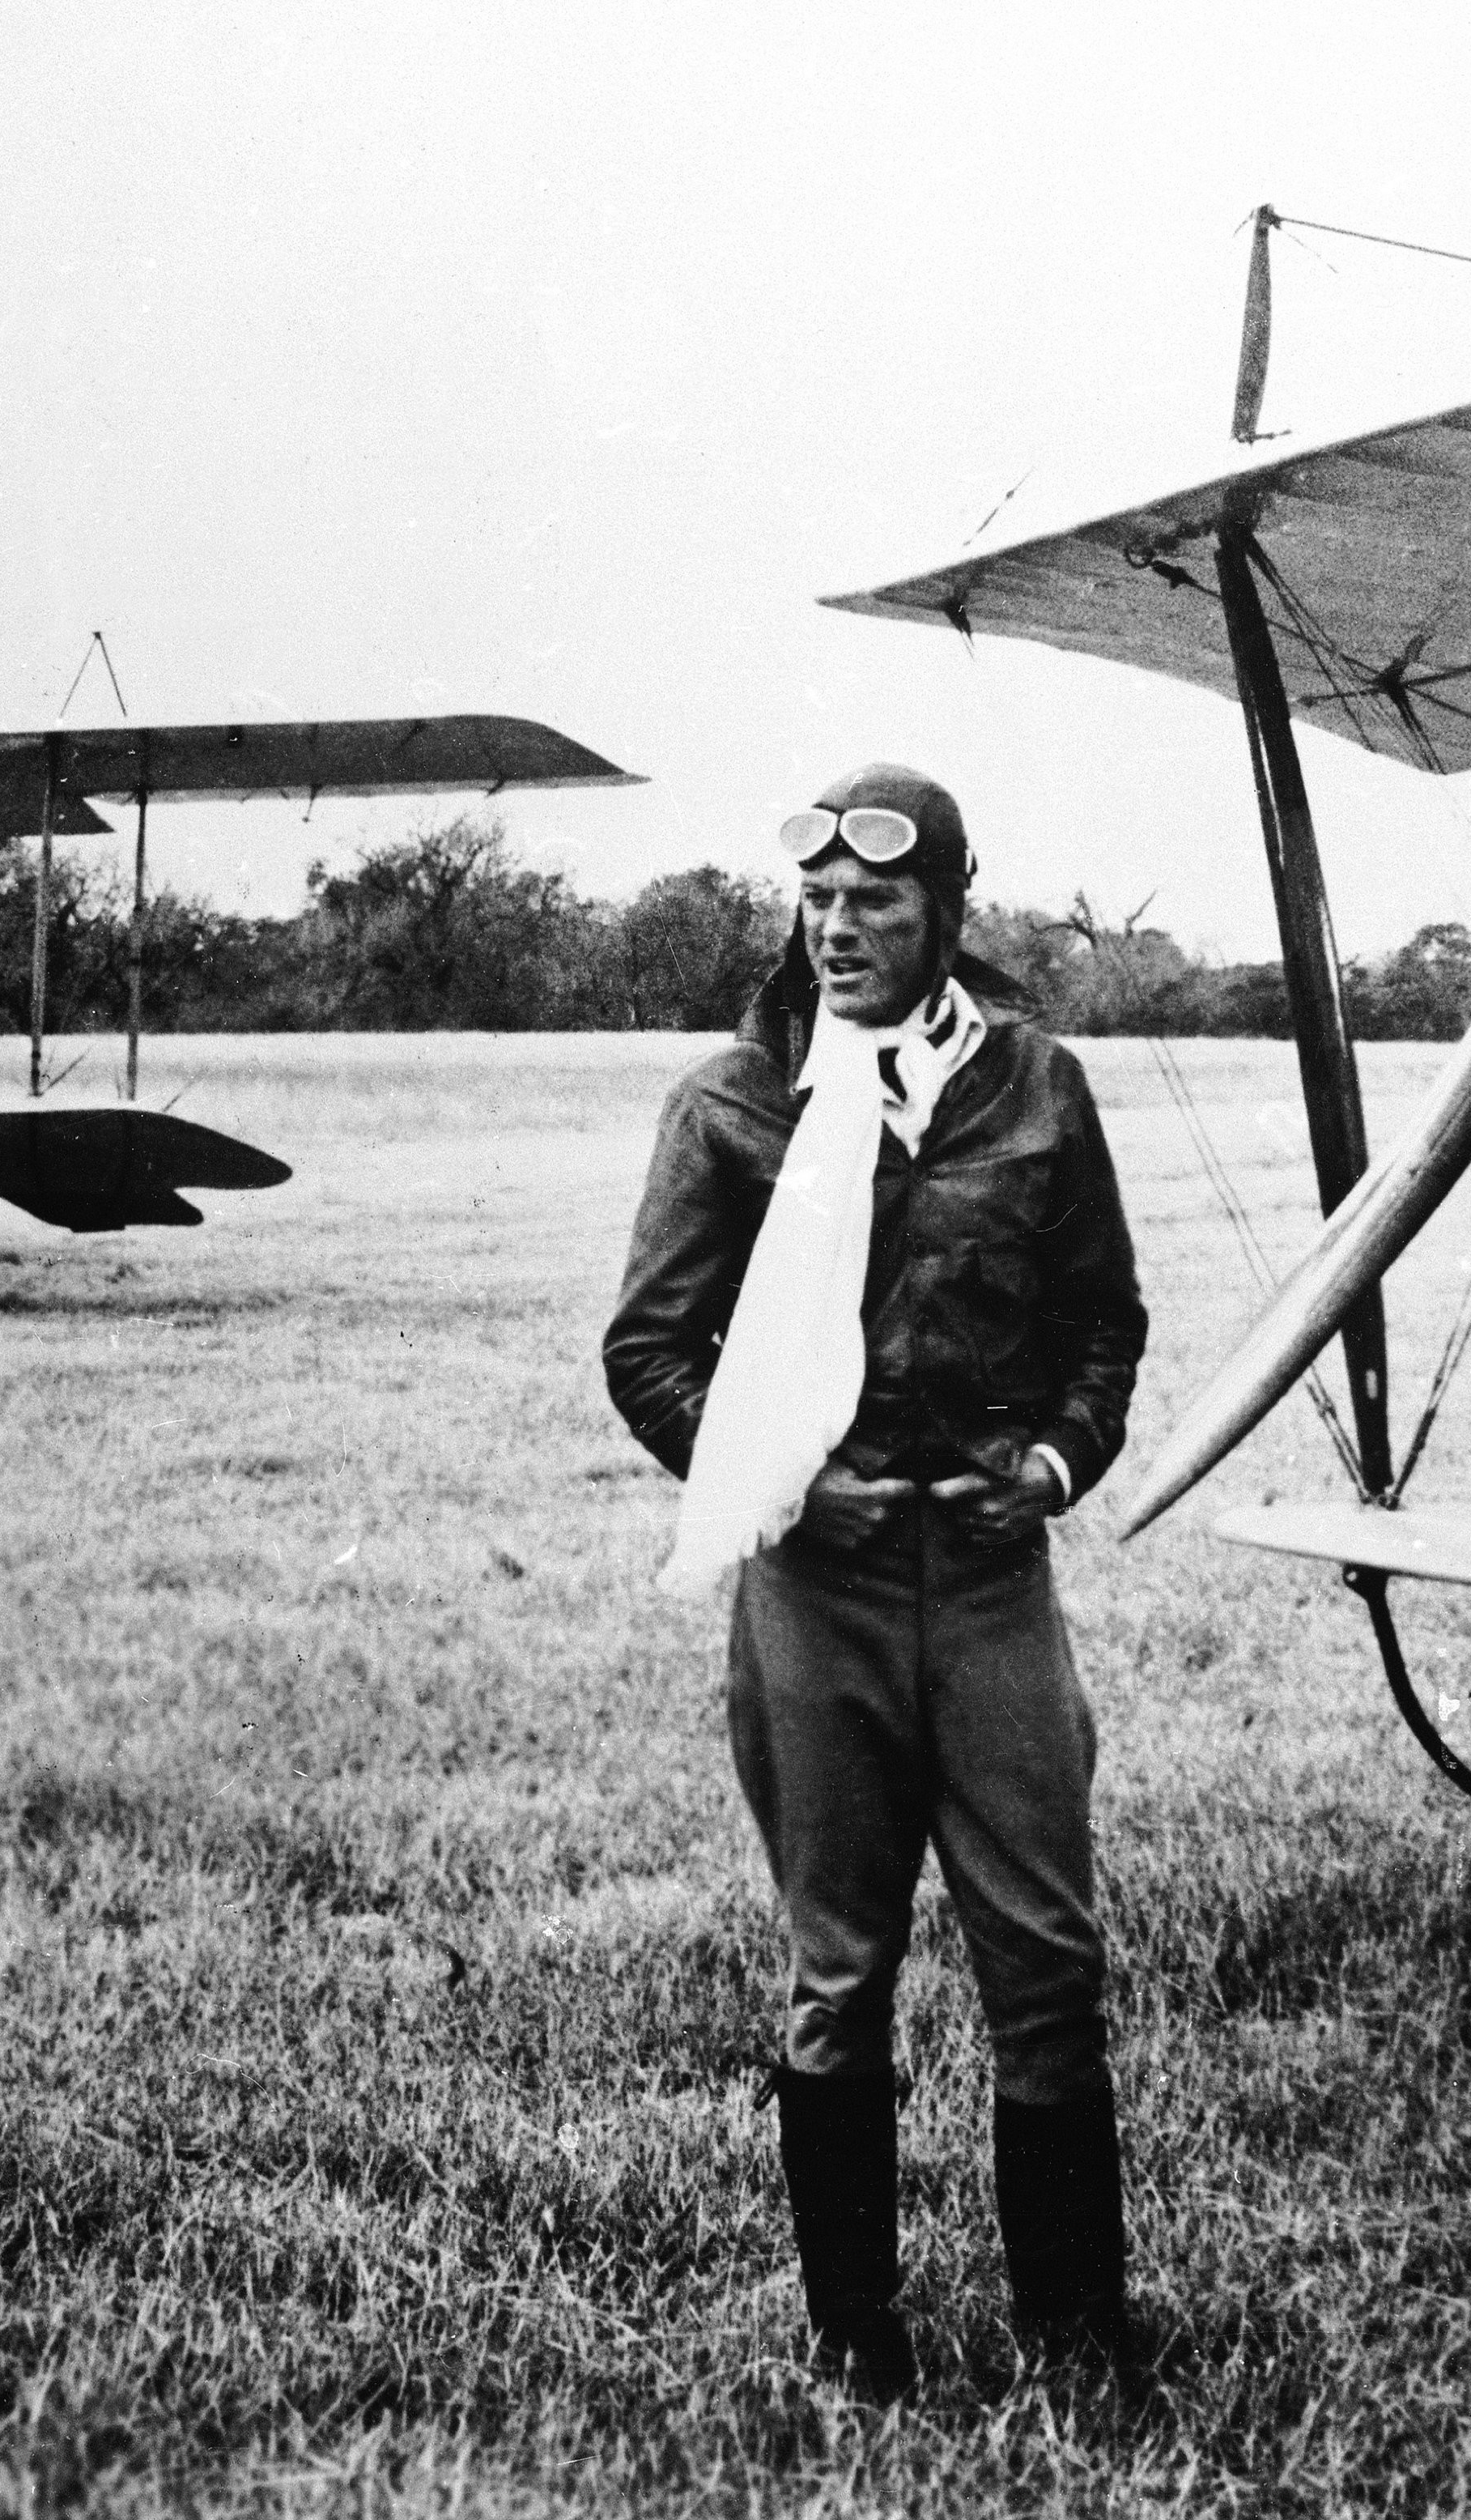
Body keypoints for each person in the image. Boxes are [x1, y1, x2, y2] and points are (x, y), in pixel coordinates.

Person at [602, 761, 1149, 2401]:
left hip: (986, 1580)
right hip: (815, 1590)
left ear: (947, 912)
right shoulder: (734, 1100)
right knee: (836, 1974)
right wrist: (785, 1480)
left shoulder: (1037, 1085)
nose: (838, 928)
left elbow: (1103, 1323)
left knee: (1047, 1960)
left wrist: (1049, 1466)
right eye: (819, 902)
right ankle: (858, 2338)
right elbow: (648, 1351)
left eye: (877, 903)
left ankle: (1078, 2333)